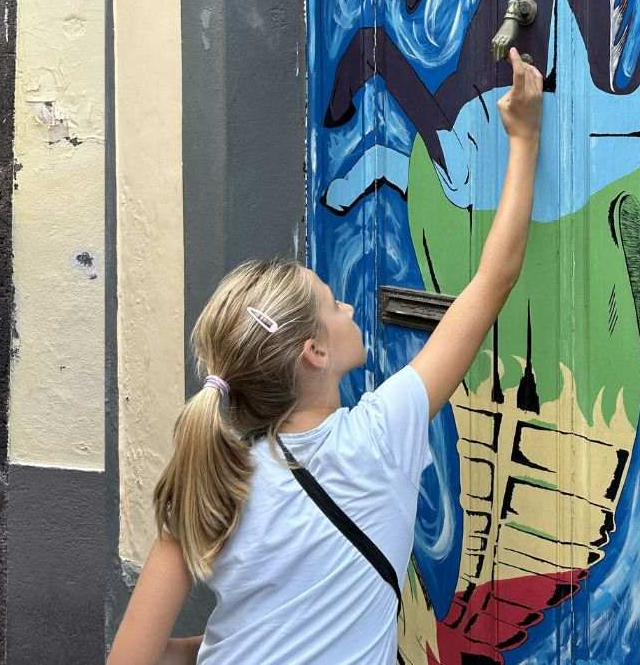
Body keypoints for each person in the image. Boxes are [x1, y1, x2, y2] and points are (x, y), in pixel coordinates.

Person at [108, 49, 544, 664]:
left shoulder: (215, 479)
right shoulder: (380, 436)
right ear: (313, 352)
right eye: (334, 304)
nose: (347, 309)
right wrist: (524, 140)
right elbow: (494, 279)